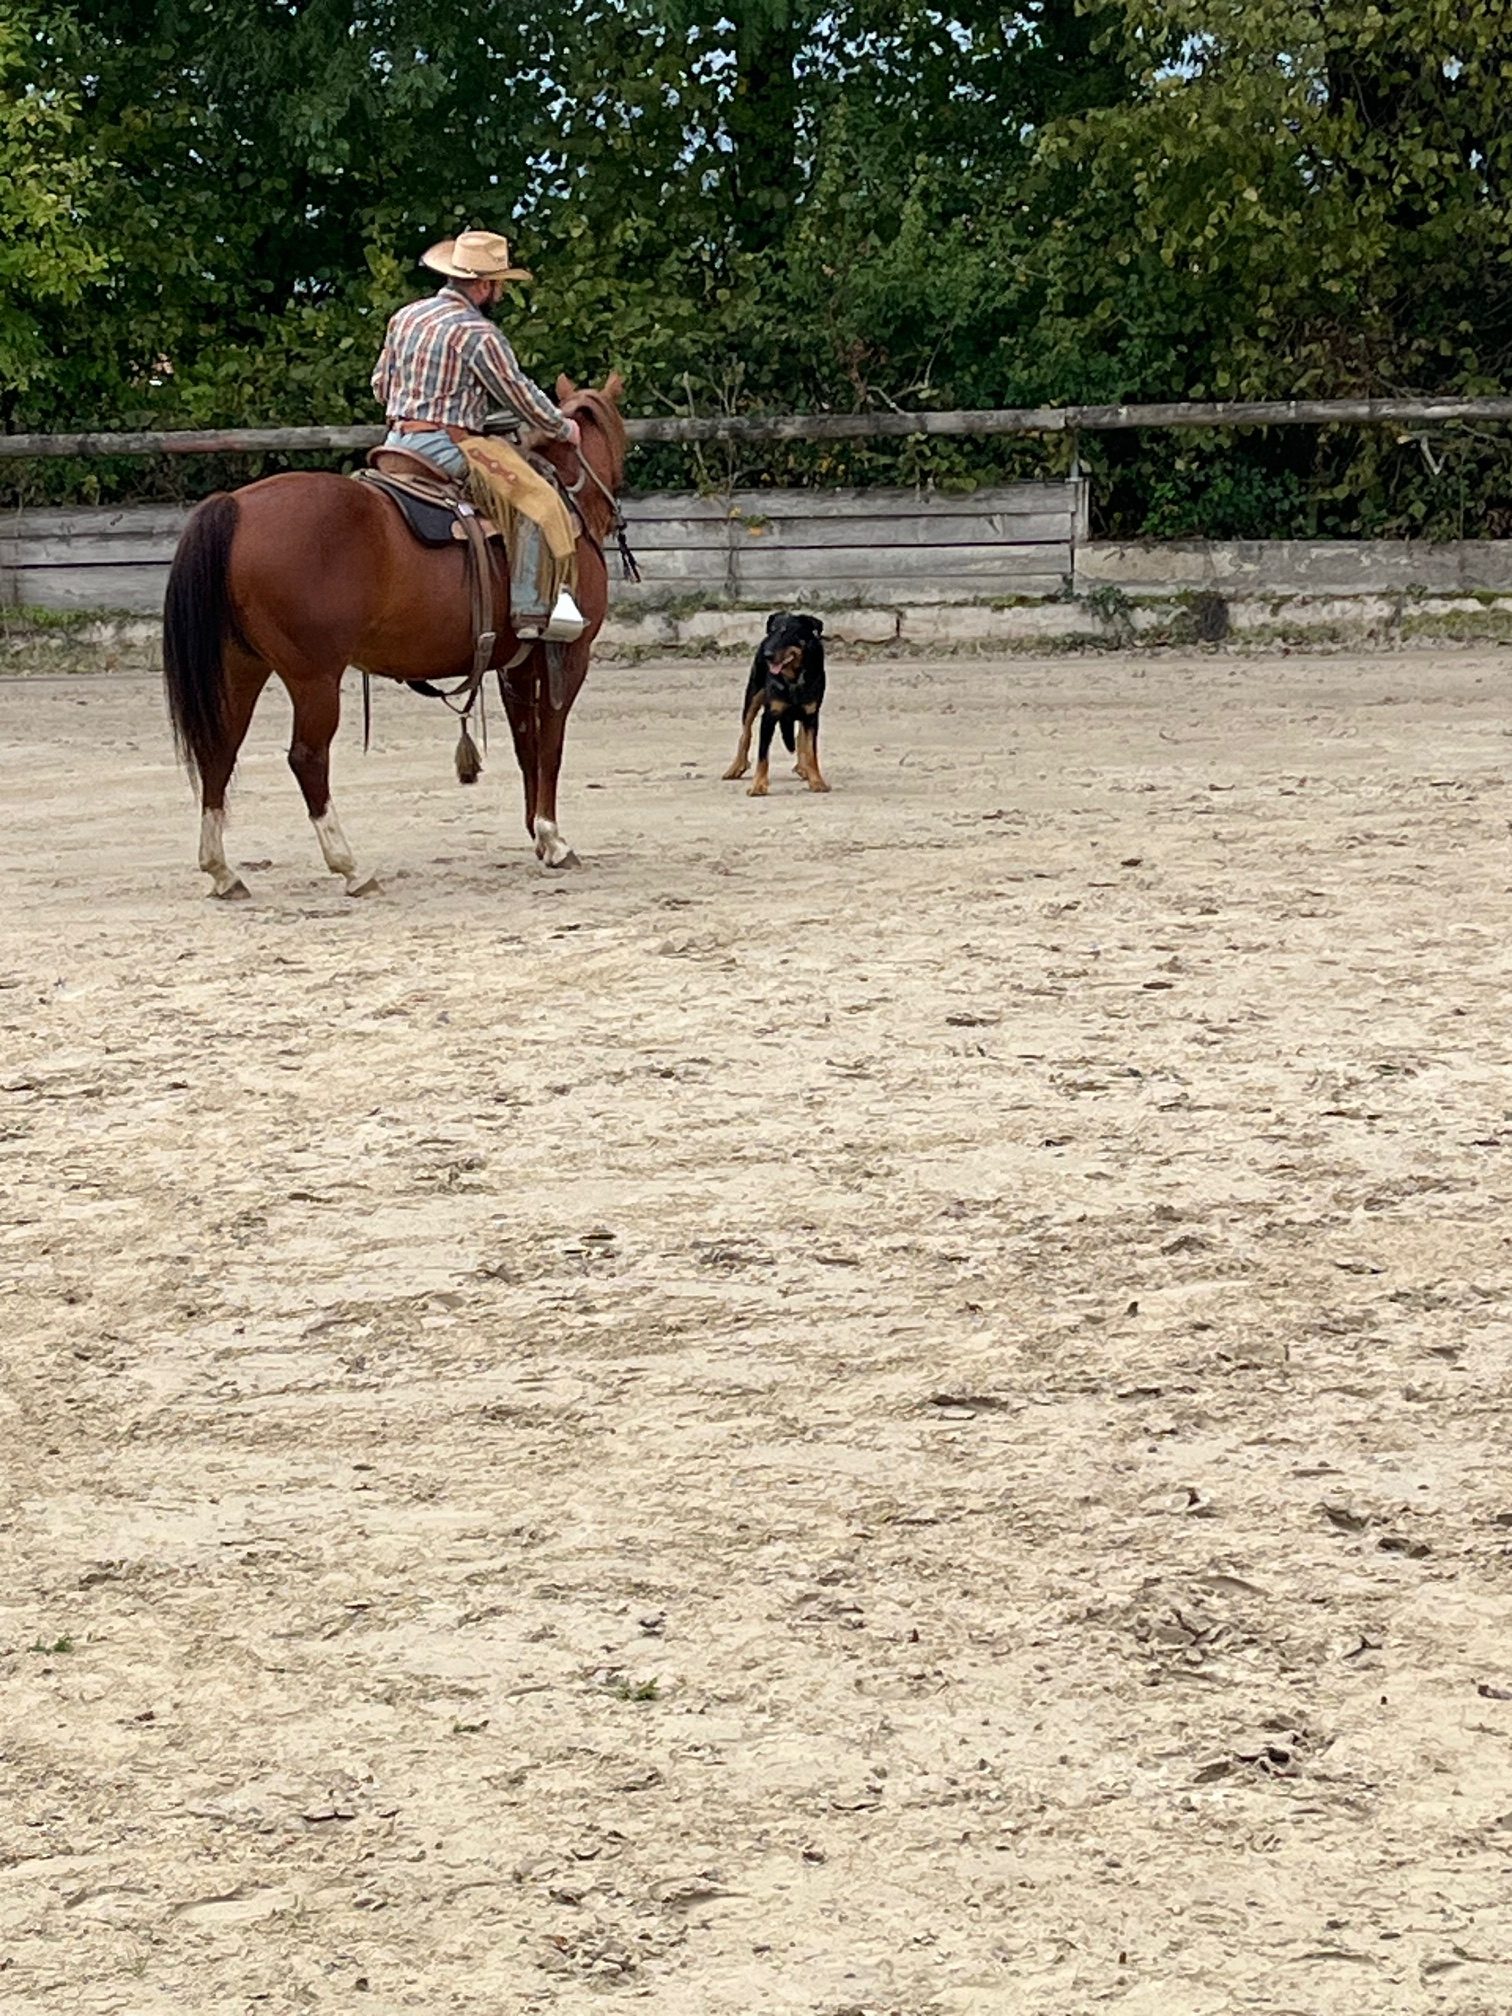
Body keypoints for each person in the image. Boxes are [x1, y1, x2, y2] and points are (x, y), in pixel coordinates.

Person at [371, 230, 583, 640]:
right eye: (499, 283)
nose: (500, 291)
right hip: (448, 446)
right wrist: (563, 427)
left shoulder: (405, 317)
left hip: (395, 444)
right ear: (484, 285)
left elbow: (381, 385)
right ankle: (529, 610)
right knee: (537, 501)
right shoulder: (478, 333)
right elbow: (519, 394)